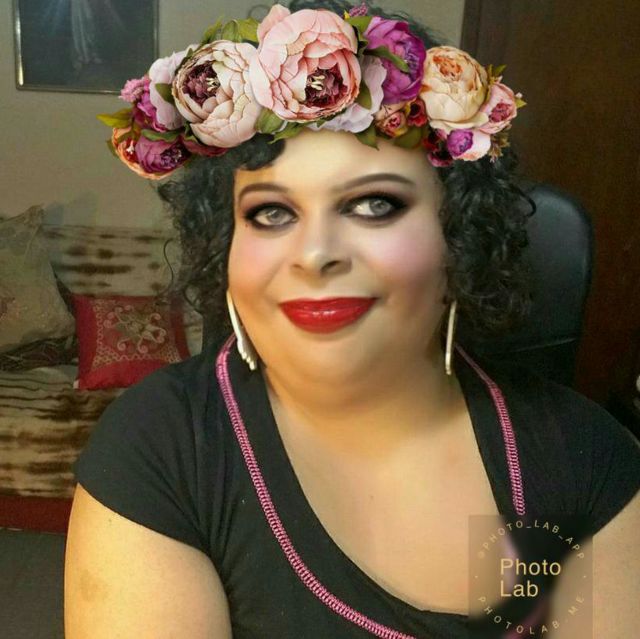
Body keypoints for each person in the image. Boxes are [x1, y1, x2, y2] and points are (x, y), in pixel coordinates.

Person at [64, 2, 640, 637]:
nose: (314, 254)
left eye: (373, 204)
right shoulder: (161, 453)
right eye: (271, 213)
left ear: (459, 236)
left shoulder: (586, 460)